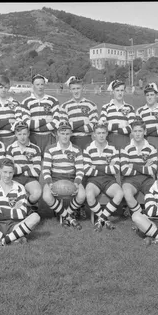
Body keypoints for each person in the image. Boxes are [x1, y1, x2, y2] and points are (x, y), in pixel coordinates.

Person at [60, 76, 99, 219]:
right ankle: (72, 204)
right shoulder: (64, 106)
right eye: (73, 89)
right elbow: (64, 126)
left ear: (82, 88)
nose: (76, 91)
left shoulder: (91, 105)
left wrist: (73, 124)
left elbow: (93, 125)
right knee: (71, 170)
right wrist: (83, 122)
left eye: (78, 88)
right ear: (70, 90)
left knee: (84, 171)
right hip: (71, 140)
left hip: (86, 140)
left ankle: (82, 206)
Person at [42, 121, 85, 229]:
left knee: (82, 195)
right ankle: (68, 217)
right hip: (55, 178)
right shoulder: (50, 149)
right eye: (62, 133)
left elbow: (80, 170)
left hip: (71, 178)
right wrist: (50, 184)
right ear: (57, 134)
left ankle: (65, 213)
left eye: (67, 133)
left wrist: (76, 183)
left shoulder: (76, 149)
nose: (65, 136)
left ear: (71, 134)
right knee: (46, 196)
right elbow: (46, 170)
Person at [83, 122, 124, 232]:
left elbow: (116, 169)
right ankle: (105, 220)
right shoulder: (88, 148)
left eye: (103, 133)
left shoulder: (113, 148)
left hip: (109, 179)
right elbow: (86, 170)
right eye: (98, 133)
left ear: (107, 134)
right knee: (89, 195)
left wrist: (95, 166)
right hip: (93, 180)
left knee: (119, 193)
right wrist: (106, 168)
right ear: (94, 135)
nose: (101, 135)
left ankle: (101, 219)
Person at [15, 74, 60, 158]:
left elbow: (56, 121)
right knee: (33, 163)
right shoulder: (26, 102)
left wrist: (36, 126)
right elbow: (27, 124)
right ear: (33, 86)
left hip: (49, 137)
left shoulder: (53, 101)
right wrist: (45, 121)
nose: (40, 87)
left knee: (49, 164)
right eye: (37, 84)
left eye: (42, 84)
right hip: (33, 137)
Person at [120, 117, 158, 217]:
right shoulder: (125, 148)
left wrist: (133, 165)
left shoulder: (151, 148)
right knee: (127, 193)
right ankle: (141, 216)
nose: (137, 134)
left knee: (156, 193)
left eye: (140, 131)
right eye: (135, 131)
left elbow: (153, 170)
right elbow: (124, 171)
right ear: (131, 132)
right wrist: (144, 167)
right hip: (130, 180)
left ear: (145, 132)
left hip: (147, 180)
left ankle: (153, 215)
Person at [6, 122, 42, 212]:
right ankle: (29, 207)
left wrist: (20, 170)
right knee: (10, 201)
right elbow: (10, 169)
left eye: (24, 134)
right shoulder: (10, 148)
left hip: (30, 178)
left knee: (37, 193)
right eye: (19, 134)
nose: (22, 137)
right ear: (15, 134)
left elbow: (37, 170)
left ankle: (28, 204)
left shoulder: (35, 148)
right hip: (15, 178)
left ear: (29, 133)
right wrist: (27, 167)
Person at [100, 80, 136, 151]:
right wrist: (121, 125)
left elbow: (132, 126)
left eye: (122, 90)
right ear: (113, 91)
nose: (120, 93)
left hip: (124, 140)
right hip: (110, 140)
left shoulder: (130, 108)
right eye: (117, 90)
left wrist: (112, 126)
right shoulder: (106, 107)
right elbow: (103, 126)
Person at [136, 83, 158, 150]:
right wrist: (156, 127)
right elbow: (140, 132)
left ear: (156, 95)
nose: (149, 97)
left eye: (152, 95)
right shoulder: (140, 111)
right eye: (147, 95)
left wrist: (147, 131)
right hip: (145, 142)